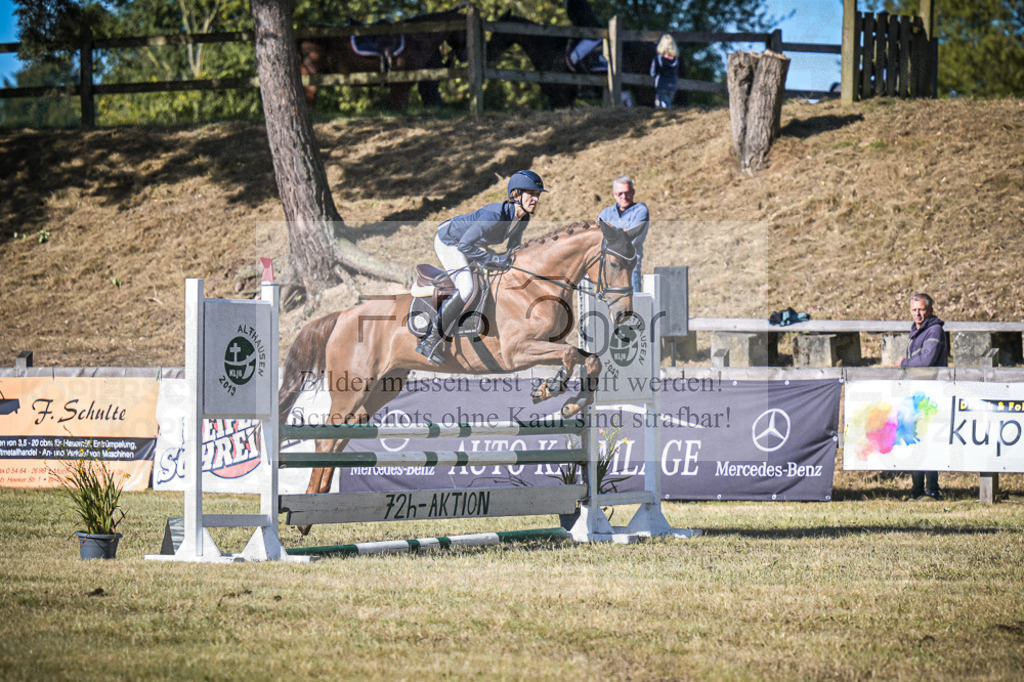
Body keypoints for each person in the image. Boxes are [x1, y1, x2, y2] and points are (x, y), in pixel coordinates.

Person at [415, 170, 547, 365]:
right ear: (516, 195)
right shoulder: (495, 216)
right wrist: (493, 259)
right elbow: (464, 246)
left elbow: (513, 248)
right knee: (467, 287)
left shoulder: (523, 218)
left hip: (470, 243)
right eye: (531, 194)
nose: (535, 199)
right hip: (449, 241)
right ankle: (430, 340)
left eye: (537, 195)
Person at [898, 292, 949, 500]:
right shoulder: (916, 331)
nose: (917, 314)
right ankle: (917, 489)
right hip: (917, 392)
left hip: (931, 392)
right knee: (915, 439)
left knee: (927, 440)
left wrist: (903, 364)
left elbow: (926, 361)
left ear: (930, 310)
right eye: (914, 310)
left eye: (921, 309)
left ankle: (932, 489)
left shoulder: (935, 330)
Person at [597, 176, 649, 292]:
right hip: (607, 272)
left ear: (633, 192)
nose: (624, 197)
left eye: (627, 193)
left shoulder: (641, 211)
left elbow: (633, 239)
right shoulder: (606, 213)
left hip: (629, 271)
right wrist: (624, 232)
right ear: (614, 194)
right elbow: (597, 238)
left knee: (633, 304)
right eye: (620, 193)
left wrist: (610, 234)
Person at [650, 34, 679, 108]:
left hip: (662, 83)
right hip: (673, 84)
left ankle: (668, 113)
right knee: (667, 100)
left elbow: (652, 72)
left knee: (664, 103)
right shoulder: (675, 59)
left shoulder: (658, 58)